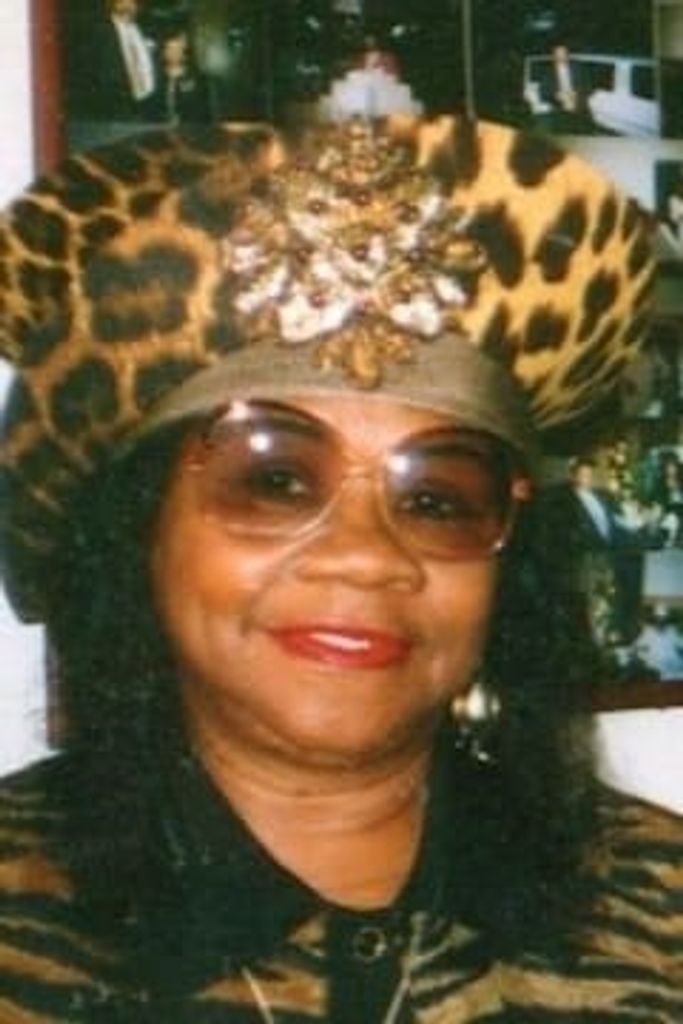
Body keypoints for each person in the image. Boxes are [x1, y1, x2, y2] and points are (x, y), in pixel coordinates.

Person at [0, 116, 680, 1022]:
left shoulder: (660, 910)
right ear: (137, 531)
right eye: (274, 480)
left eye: (436, 498)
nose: (366, 556)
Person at [69, 0, 156, 121]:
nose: (128, 4)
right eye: (123, 0)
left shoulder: (146, 30)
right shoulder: (97, 30)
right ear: (113, 3)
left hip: (147, 106)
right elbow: (86, 70)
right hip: (111, 108)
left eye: (133, 1)